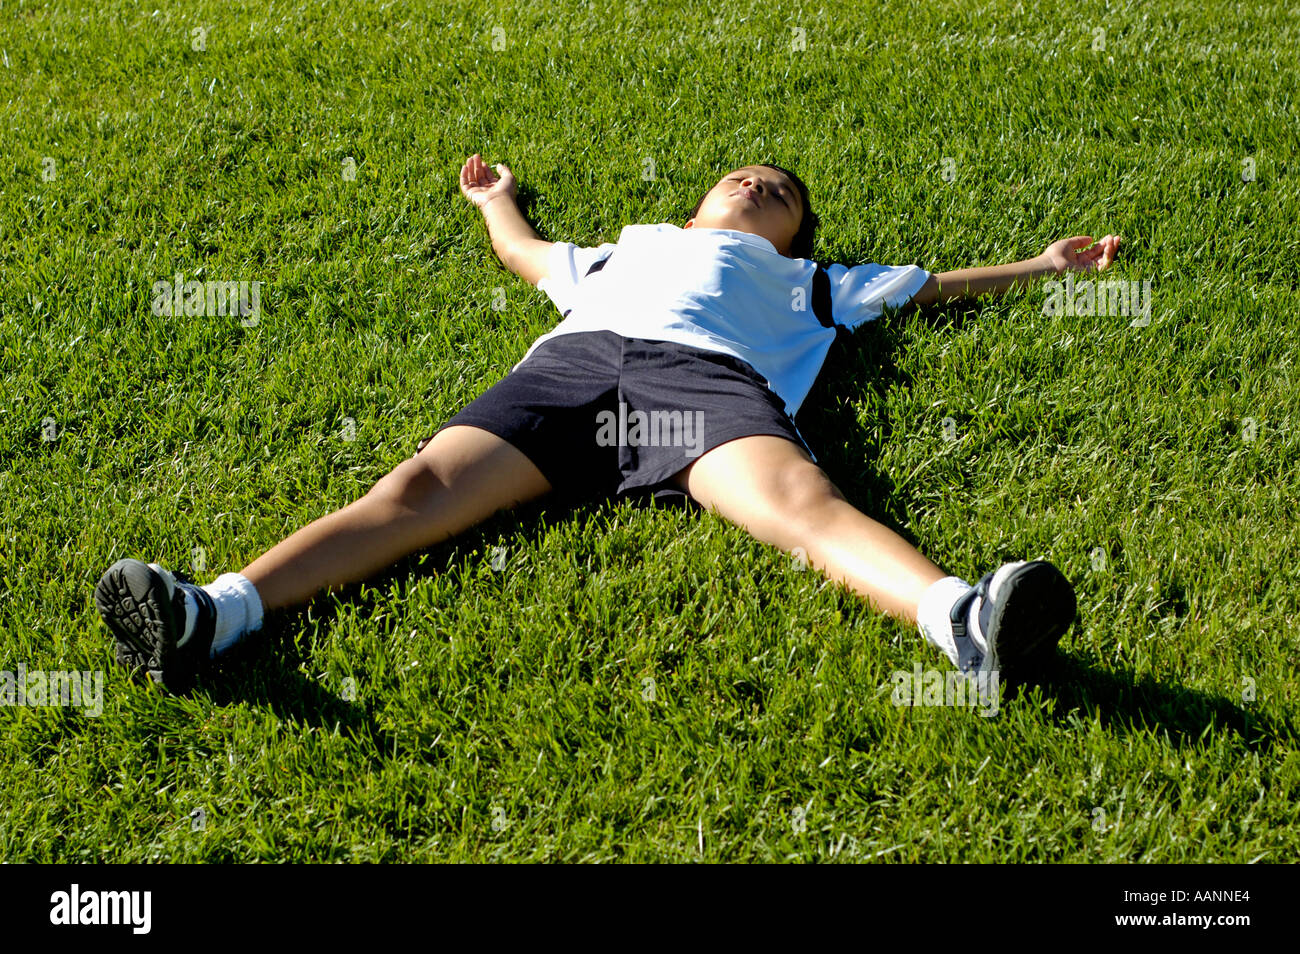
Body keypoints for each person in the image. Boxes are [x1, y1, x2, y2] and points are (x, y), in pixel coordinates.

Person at [95, 153, 1121, 696]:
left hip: (705, 386)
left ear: (794, 229)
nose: (760, 186)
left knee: (803, 503)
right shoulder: (624, 248)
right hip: (568, 374)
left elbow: (930, 286)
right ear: (705, 197)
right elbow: (527, 256)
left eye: (781, 194)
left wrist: (1040, 266)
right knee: (410, 495)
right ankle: (212, 614)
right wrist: (496, 201)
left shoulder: (808, 280)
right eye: (744, 176)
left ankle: (960, 618)